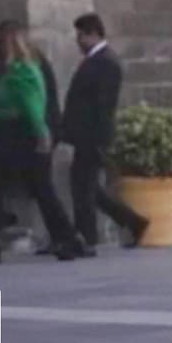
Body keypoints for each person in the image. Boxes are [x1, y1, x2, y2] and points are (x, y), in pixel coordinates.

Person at [0, 20, 85, 264]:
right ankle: (67, 239)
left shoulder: (21, 69)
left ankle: (67, 239)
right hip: (11, 134)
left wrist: (43, 134)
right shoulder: (8, 69)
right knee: (30, 188)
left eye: (0, 40)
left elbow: (33, 105)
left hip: (22, 135)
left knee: (27, 187)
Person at [60, 13, 149, 255]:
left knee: (83, 189)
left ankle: (86, 240)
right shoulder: (95, 60)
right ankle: (133, 222)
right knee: (89, 188)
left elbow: (104, 105)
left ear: (93, 34)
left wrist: (99, 140)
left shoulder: (107, 62)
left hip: (92, 136)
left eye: (81, 36)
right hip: (84, 135)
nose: (78, 41)